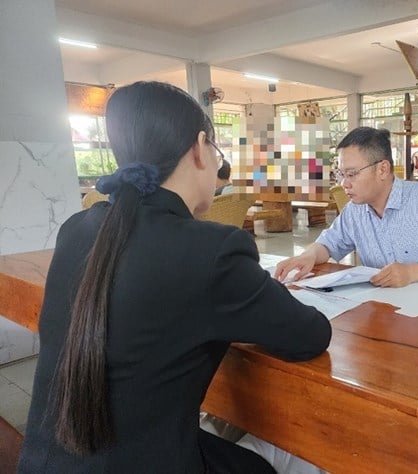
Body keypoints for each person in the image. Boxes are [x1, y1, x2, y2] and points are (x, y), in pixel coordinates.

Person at [18, 81, 331, 474]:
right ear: (200, 148)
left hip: (44, 464)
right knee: (305, 453)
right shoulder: (213, 249)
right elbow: (310, 335)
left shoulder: (77, 229)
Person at [275, 127, 418, 288]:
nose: (344, 183)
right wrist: (307, 256)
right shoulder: (355, 210)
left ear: (383, 169)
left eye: (352, 174)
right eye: (341, 174)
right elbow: (328, 244)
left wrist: (410, 272)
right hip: (382, 307)